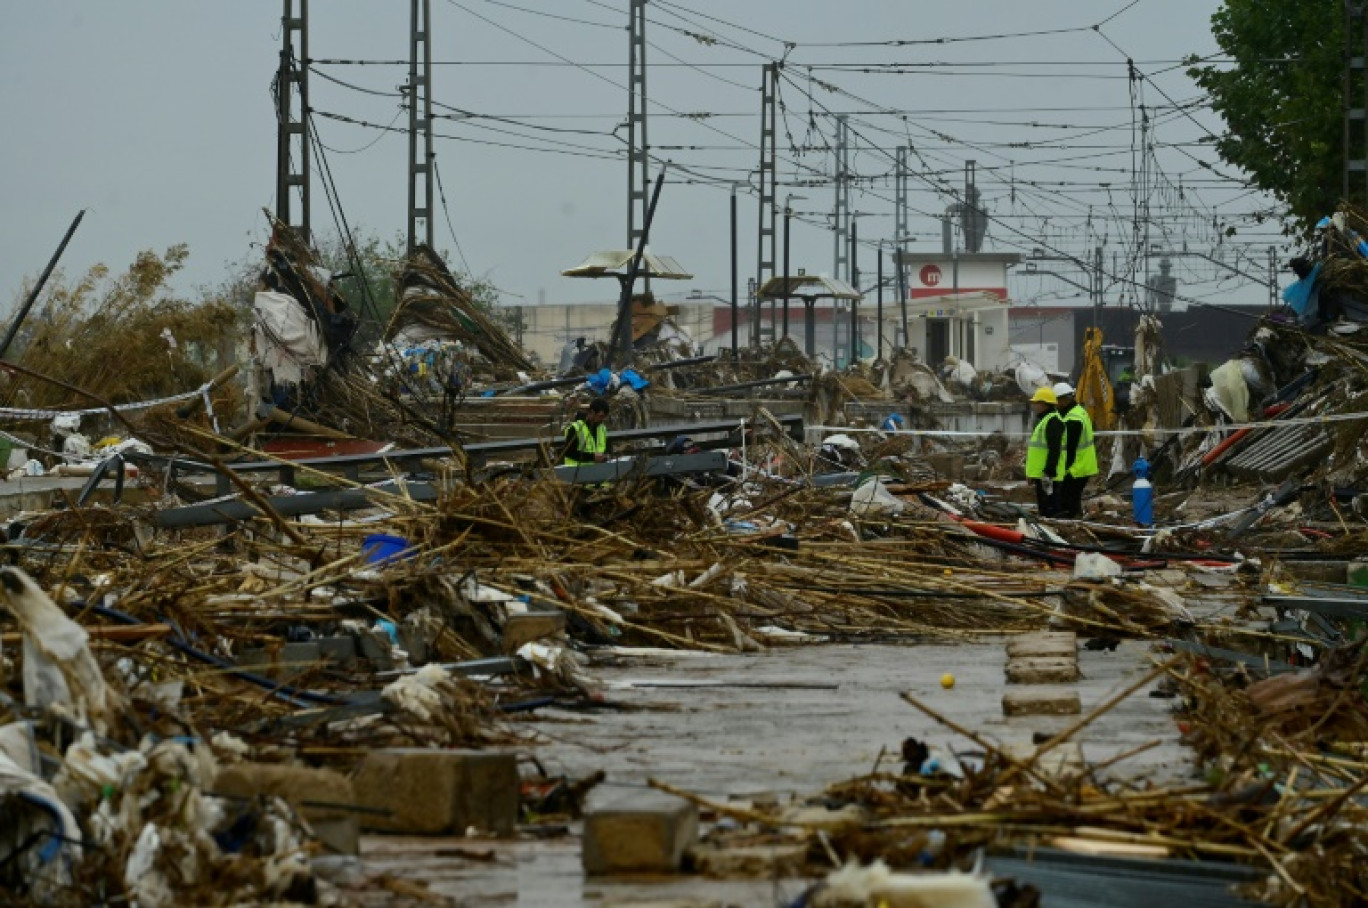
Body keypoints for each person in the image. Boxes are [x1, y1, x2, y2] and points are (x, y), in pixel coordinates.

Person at [1053, 381, 1098, 518]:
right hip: (1084, 465)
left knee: (1067, 502)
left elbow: (1070, 449)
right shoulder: (1079, 412)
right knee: (1073, 499)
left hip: (1076, 468)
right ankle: (1076, 521)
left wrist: (1062, 470)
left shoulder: (1072, 419)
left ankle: (1071, 526)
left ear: (1063, 401)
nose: (1055, 405)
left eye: (1056, 401)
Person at [1024, 387, 1063, 518]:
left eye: (1036, 402)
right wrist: (1031, 473)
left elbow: (1054, 449)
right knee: (1045, 509)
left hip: (1047, 475)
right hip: (1042, 475)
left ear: (1044, 403)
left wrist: (1048, 472)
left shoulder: (1053, 421)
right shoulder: (1045, 420)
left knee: (1049, 510)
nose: (1034, 405)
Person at [561, 397, 610, 466]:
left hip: (596, 471)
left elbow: (605, 449)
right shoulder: (576, 428)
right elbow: (568, 452)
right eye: (600, 416)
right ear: (592, 412)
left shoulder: (602, 429)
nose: (602, 419)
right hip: (576, 471)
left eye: (604, 417)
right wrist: (592, 457)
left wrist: (605, 457)